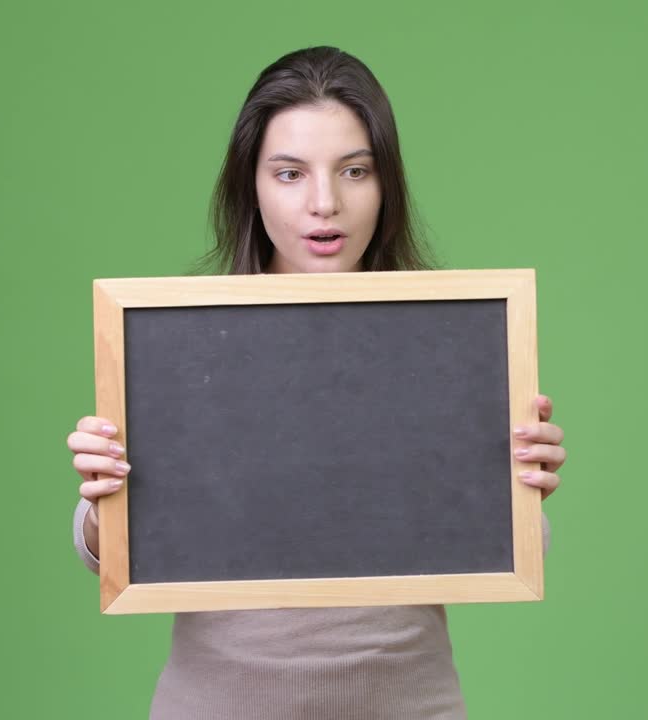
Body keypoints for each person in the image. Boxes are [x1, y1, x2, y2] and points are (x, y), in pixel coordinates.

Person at [67, 46, 567, 719]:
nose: (324, 204)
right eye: (291, 173)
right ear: (252, 183)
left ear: (385, 183)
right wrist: (104, 499)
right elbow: (108, 548)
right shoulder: (183, 340)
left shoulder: (447, 341)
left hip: (410, 703)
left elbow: (499, 546)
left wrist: (521, 483)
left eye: (354, 170)